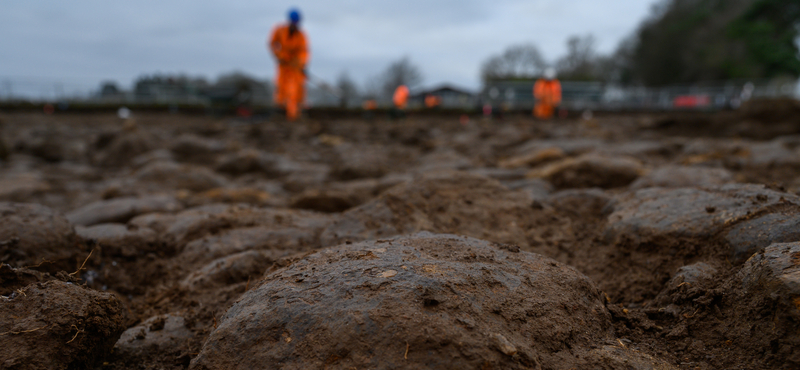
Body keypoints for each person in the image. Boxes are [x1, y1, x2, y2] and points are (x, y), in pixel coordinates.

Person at [268, 8, 309, 121]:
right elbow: (272, 43)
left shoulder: (301, 35)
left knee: (296, 87)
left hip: (295, 66)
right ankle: (279, 108)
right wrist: (278, 55)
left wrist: (300, 63)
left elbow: (304, 51)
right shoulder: (280, 30)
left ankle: (294, 112)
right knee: (281, 85)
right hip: (283, 65)